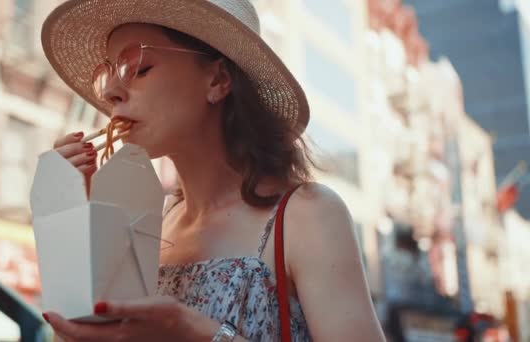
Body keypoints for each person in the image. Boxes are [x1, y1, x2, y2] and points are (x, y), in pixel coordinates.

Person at [43, 0, 385, 341]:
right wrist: (81, 227)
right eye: (108, 73)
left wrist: (196, 333)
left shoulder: (308, 216)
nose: (110, 92)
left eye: (139, 68)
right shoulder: (146, 221)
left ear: (218, 80)